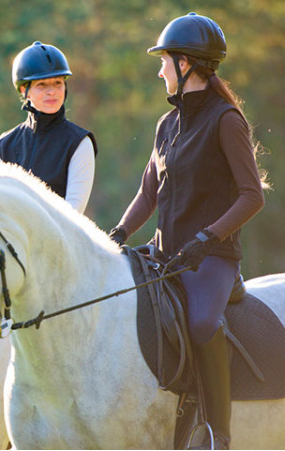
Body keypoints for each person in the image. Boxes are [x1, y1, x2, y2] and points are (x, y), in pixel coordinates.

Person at [109, 12, 266, 450]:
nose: (160, 69)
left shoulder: (226, 120)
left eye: (165, 61)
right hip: (166, 253)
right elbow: (148, 195)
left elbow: (253, 197)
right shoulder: (166, 125)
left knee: (201, 324)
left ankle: (219, 433)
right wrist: (119, 233)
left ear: (188, 65)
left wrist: (207, 239)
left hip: (213, 259)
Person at [0, 41, 98, 214]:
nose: (52, 92)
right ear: (25, 89)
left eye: (57, 83)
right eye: (42, 85)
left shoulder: (79, 142)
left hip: (59, 239)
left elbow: (72, 214)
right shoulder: (5, 145)